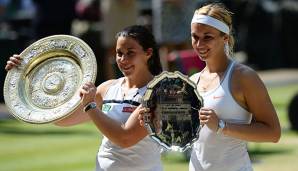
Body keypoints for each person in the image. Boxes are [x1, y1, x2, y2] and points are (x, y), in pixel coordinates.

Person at [5, 25, 164, 171]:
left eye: (130, 53)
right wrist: (23, 74)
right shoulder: (107, 88)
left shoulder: (158, 92)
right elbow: (62, 119)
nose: (123, 60)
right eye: (119, 53)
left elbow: (125, 138)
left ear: (148, 53)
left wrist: (90, 106)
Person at [187, 3, 281, 171]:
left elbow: (273, 133)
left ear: (225, 37)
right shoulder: (192, 81)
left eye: (207, 37)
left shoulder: (244, 77)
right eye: (195, 36)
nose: (199, 43)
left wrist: (222, 126)